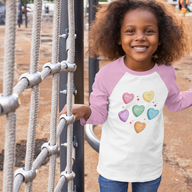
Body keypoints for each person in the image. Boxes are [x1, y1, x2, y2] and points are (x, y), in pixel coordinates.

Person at [60, 0, 192, 191]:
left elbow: (175, 102)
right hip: (113, 168)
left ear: (161, 37)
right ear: (118, 37)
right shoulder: (107, 75)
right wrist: (86, 110)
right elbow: (99, 114)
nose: (140, 37)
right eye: (130, 31)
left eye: (149, 31)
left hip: (149, 168)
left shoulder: (166, 72)